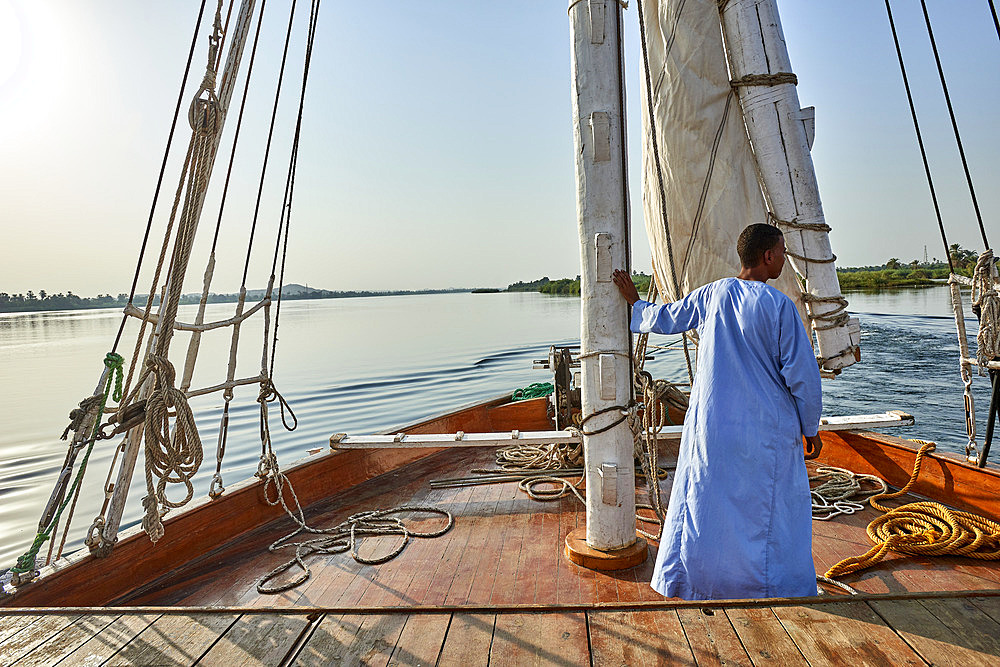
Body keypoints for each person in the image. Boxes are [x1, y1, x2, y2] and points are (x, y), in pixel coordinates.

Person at [612, 223, 823, 600]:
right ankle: (776, 587)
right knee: (773, 512)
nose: (784, 259)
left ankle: (698, 582)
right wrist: (810, 429)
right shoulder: (779, 308)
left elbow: (666, 319)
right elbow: (803, 378)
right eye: (782, 252)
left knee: (707, 507)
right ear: (768, 256)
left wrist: (635, 304)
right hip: (765, 433)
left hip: (713, 427)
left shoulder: (713, 294)